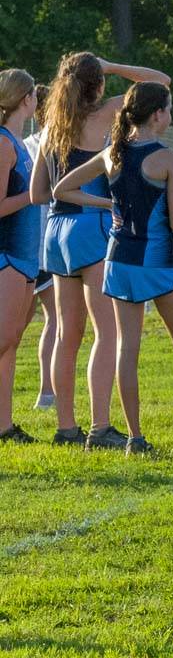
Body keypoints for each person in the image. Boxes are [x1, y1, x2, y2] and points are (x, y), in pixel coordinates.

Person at [53, 82, 173, 456]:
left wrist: (105, 204)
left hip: (118, 260)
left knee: (127, 349)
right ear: (158, 114)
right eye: (169, 109)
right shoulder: (167, 159)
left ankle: (135, 439)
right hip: (156, 263)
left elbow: (62, 188)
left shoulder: (112, 152)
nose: (171, 115)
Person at [30, 52, 170, 449]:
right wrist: (111, 65)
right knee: (107, 333)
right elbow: (160, 80)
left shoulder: (52, 127)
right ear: (99, 84)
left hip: (56, 232)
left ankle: (65, 427)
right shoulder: (107, 111)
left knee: (65, 334)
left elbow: (38, 193)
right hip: (91, 228)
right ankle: (101, 427)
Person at [0, 69, 43, 443]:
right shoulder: (3, 143)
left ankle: (5, 425)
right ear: (24, 98)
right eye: (34, 94)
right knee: (3, 338)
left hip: (27, 254)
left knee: (11, 341)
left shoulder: (20, 140)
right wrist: (33, 195)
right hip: (8, 252)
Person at [23, 84, 55, 411]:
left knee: (21, 321)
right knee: (55, 316)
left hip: (27, 242)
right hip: (46, 242)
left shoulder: (25, 145)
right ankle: (47, 391)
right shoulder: (55, 144)